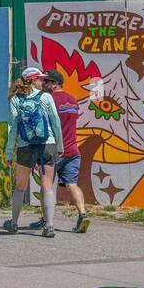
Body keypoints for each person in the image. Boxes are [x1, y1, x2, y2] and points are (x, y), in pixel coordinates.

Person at [3, 66, 63, 235]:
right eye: (41, 79)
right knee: (47, 186)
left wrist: (9, 152)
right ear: (31, 80)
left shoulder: (16, 100)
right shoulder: (46, 97)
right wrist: (60, 146)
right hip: (48, 144)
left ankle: (14, 223)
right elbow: (55, 122)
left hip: (25, 145)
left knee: (20, 187)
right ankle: (49, 225)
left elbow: (12, 128)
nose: (44, 82)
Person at [41, 70, 89, 233]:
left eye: (46, 82)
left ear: (55, 84)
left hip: (54, 149)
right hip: (73, 150)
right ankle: (83, 214)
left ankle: (46, 221)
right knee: (72, 184)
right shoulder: (73, 100)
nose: (44, 84)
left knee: (46, 185)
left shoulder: (48, 100)